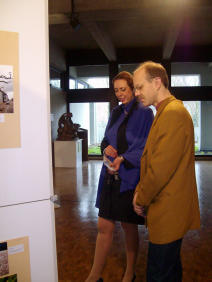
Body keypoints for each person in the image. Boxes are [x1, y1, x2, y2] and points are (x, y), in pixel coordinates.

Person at [132, 61, 201, 282]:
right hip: (166, 208)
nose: (136, 93)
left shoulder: (173, 113)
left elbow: (159, 171)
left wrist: (140, 198)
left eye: (140, 87)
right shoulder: (165, 111)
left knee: (158, 274)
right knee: (169, 271)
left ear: (157, 82)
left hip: (168, 210)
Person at [85, 71, 154, 282]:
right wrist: (107, 149)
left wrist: (122, 158)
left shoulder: (145, 112)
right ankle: (94, 276)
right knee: (103, 226)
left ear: (133, 88)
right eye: (116, 90)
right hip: (109, 176)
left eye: (123, 89)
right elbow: (105, 140)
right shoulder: (115, 112)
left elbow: (145, 146)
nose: (119, 94)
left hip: (129, 178)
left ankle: (129, 273)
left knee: (128, 226)